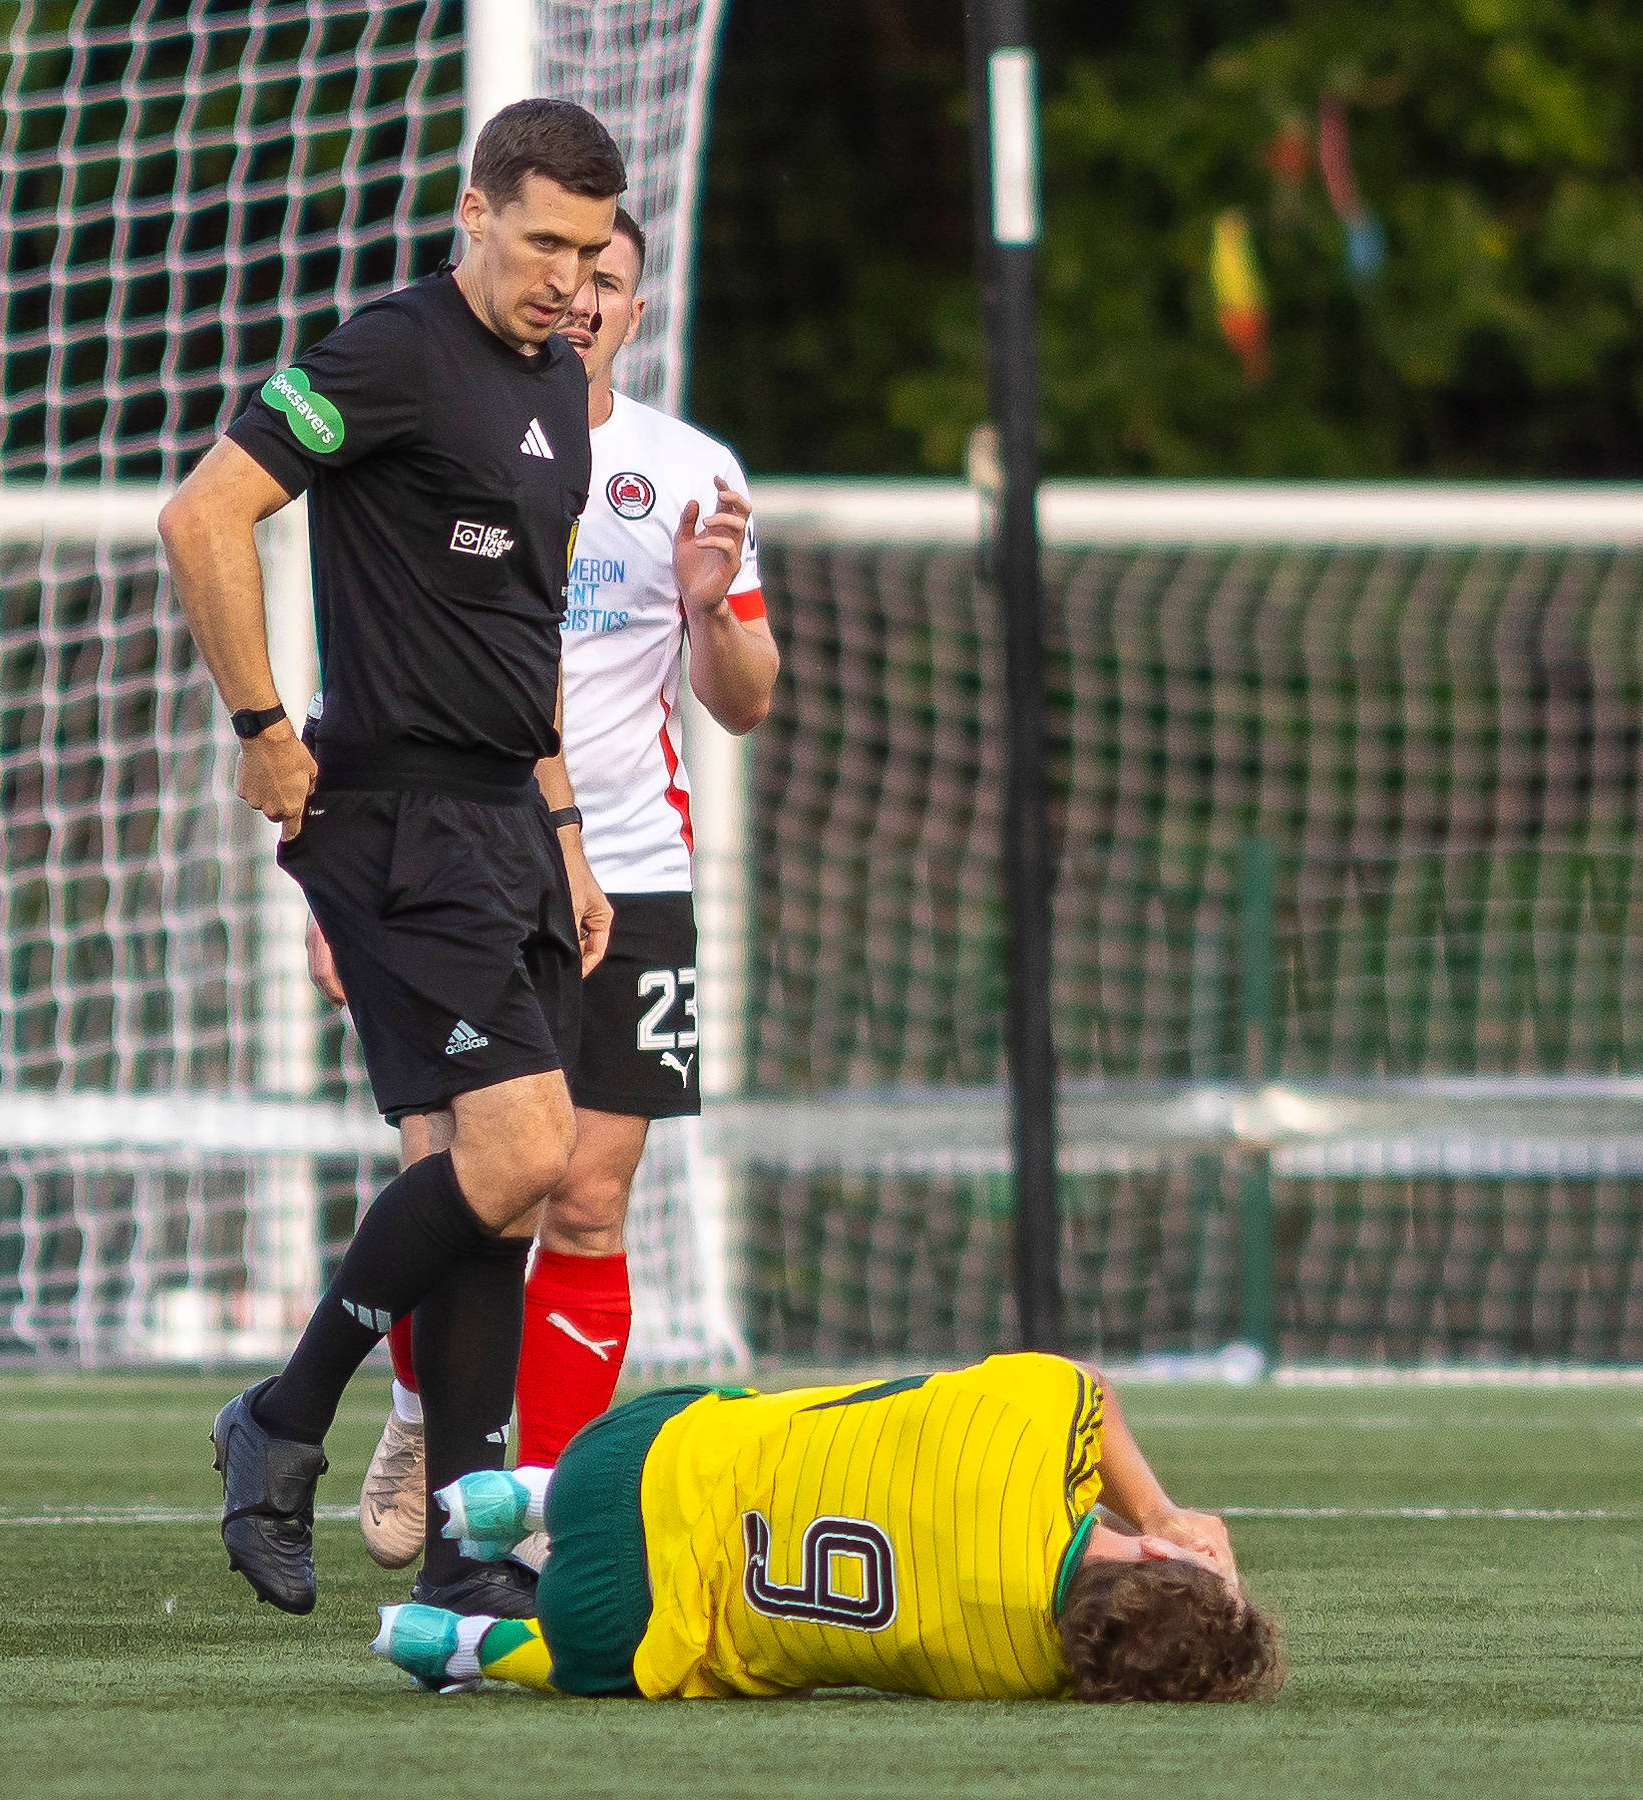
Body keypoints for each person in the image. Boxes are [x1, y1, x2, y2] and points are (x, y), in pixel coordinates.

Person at [160, 99, 631, 1618]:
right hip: (397, 817)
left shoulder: (558, 384)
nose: (567, 280)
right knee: (528, 1151)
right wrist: (260, 724)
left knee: (486, 1191)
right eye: (543, 243)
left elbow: (523, 640)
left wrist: (564, 831)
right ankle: (285, 1412)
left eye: (590, 255)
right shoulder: (392, 351)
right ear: (472, 212)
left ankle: (466, 1560)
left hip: (507, 824)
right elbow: (203, 514)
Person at [315, 207, 771, 1571]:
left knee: (585, 1197)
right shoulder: (447, 425)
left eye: (608, 281)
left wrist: (708, 605)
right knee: (469, 1179)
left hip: (634, 867)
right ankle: (418, 1418)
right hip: (456, 852)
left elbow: (745, 702)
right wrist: (337, 892)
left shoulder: (688, 471)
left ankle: (539, 1517)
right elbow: (375, 669)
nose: (582, 299)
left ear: (635, 308)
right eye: (565, 272)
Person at [370, 1354, 1286, 1705]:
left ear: (1159, 1555)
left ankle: (517, 1498)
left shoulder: (1028, 1430)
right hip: (616, 1631)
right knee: (632, 1667)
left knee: (758, 1423)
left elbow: (1087, 1385)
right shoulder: (1016, 1672)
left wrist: (1160, 1512)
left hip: (628, 1457)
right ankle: (460, 1648)